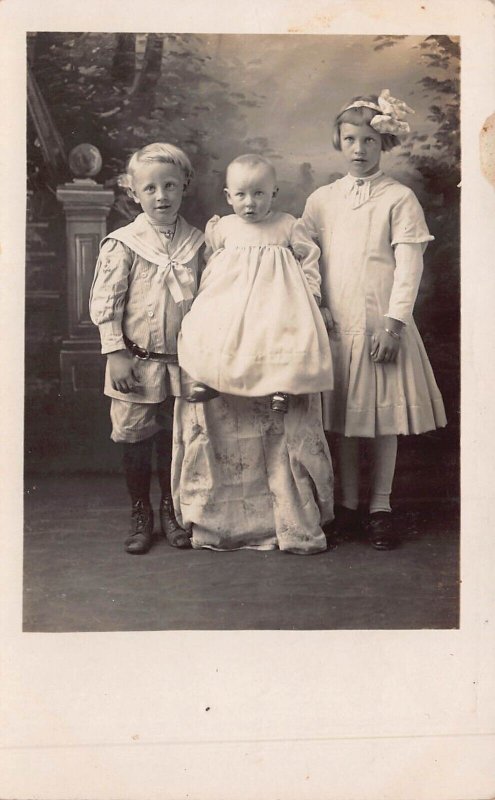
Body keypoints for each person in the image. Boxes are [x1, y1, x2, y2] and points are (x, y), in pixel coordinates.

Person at [303, 90, 447, 550]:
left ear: (382, 144)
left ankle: (380, 506)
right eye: (350, 139)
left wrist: (393, 324)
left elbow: (409, 267)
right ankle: (346, 505)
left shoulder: (399, 198)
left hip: (380, 326)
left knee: (382, 420)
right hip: (335, 327)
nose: (359, 149)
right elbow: (304, 258)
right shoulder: (322, 200)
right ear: (338, 142)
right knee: (343, 418)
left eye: (368, 140)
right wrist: (316, 306)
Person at [89, 142, 204, 555]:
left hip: (182, 364)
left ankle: (172, 509)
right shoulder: (125, 243)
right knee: (135, 437)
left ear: (184, 186)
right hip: (134, 362)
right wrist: (115, 353)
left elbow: (210, 300)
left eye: (170, 186)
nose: (161, 196)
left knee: (176, 438)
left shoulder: (197, 243)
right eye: (150, 188)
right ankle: (141, 512)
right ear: (134, 193)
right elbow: (107, 302)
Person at [177, 153, 333, 414]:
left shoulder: (287, 224)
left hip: (276, 296)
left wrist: (312, 293)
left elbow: (309, 258)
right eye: (241, 195)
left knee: (280, 333)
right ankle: (212, 378)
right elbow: (211, 258)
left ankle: (282, 385)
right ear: (228, 196)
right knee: (212, 326)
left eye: (259, 194)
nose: (250, 203)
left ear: (274, 193)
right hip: (231, 294)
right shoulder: (223, 226)